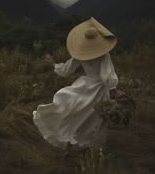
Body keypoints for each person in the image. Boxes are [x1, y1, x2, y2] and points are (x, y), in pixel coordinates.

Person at [32, 17, 124, 152]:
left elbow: (65, 71)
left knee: (77, 114)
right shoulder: (104, 55)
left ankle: (71, 142)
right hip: (99, 89)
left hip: (85, 86)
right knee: (95, 119)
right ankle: (89, 147)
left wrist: (53, 63)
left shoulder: (80, 54)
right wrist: (114, 89)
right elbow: (106, 76)